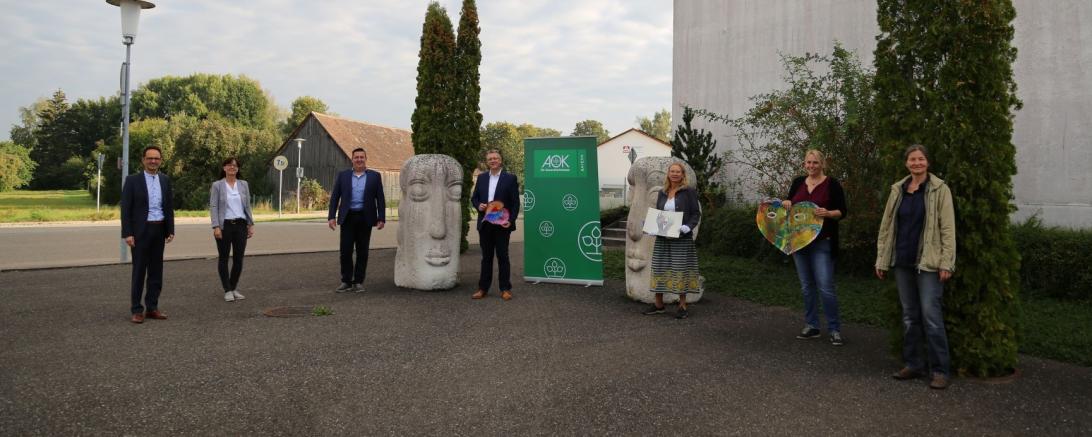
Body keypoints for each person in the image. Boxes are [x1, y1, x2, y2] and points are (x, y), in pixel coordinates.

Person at [875, 144, 956, 390]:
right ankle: (914, 364)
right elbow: (887, 226)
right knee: (910, 317)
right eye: (912, 159)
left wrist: (946, 262)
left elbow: (948, 229)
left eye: (921, 159)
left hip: (929, 263)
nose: (917, 163)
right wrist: (881, 259)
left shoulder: (939, 190)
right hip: (902, 261)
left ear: (927, 162)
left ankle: (940, 371)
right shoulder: (898, 190)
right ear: (906, 163)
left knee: (932, 317)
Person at [782, 150, 847, 346]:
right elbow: (789, 205)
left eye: (815, 163)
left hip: (823, 242)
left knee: (825, 287)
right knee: (807, 286)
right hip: (799, 242)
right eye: (808, 163)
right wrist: (786, 202)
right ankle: (812, 326)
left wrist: (828, 213)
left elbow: (842, 212)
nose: (811, 166)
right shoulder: (798, 183)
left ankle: (834, 329)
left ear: (822, 164)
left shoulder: (832, 184)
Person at [120, 145, 175, 324]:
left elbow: (168, 207)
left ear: (160, 161)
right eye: (150, 158)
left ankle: (152, 307)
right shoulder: (132, 180)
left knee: (156, 272)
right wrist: (128, 233)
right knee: (139, 272)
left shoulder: (165, 180)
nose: (153, 161)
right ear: (143, 160)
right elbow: (125, 209)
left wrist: (170, 229)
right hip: (140, 232)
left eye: (156, 158)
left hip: (159, 230)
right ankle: (137, 310)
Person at [642, 162, 701, 319]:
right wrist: (649, 224)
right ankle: (658, 304)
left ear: (682, 175)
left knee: (680, 269)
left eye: (678, 172)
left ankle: (682, 305)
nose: (675, 174)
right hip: (663, 237)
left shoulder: (688, 192)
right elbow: (659, 214)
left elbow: (696, 213)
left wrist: (688, 227)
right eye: (672, 171)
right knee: (659, 267)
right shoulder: (663, 192)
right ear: (668, 174)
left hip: (681, 238)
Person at [328, 147, 386, 293]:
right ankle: (346, 281)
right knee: (345, 251)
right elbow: (335, 197)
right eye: (356, 157)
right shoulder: (343, 176)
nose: (359, 159)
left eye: (362, 157)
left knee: (363, 251)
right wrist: (331, 217)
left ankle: (358, 281)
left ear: (366, 159)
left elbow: (380, 199)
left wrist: (381, 218)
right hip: (348, 217)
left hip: (365, 217)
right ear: (352, 159)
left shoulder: (374, 176)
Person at [470, 149, 520, 301]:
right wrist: (479, 205)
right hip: (485, 223)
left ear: (500, 160)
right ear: (487, 162)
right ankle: (483, 288)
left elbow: (515, 203)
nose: (493, 160)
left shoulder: (510, 178)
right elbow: (475, 198)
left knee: (503, 256)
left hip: (501, 224)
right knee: (486, 257)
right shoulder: (482, 177)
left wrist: (510, 220)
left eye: (495, 158)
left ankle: (505, 288)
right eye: (490, 159)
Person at [209, 157, 255, 302]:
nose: (232, 168)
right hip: (224, 225)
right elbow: (214, 206)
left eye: (235, 166)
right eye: (229, 165)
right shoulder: (217, 185)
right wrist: (216, 226)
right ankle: (227, 289)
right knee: (223, 258)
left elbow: (247, 205)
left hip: (241, 224)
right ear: (224, 168)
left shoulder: (243, 184)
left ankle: (233, 287)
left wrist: (250, 223)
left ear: (238, 169)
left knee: (238, 259)